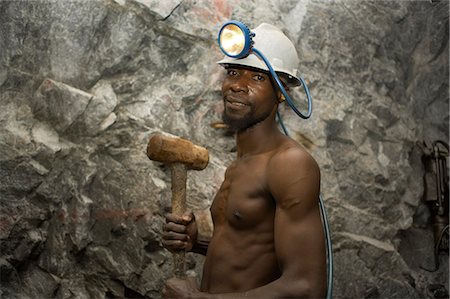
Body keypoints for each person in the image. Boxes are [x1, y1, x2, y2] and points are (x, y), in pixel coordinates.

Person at [162, 23, 327, 298]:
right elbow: (255, 251)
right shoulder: (241, 164)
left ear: (281, 93)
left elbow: (307, 287)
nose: (238, 86)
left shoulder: (289, 164)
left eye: (258, 78)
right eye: (234, 72)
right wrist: (196, 241)